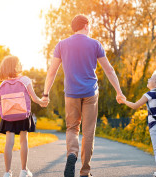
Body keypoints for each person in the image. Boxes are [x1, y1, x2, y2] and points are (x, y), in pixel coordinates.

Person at [41, 14, 125, 177]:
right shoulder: (95, 44)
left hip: (71, 93)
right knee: (88, 132)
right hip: (90, 93)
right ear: (86, 25)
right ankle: (85, 171)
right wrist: (119, 92)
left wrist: (45, 94)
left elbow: (52, 71)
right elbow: (109, 70)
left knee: (72, 128)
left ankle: (72, 154)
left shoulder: (61, 44)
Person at [0, 56, 46, 177]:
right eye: (19, 63)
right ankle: (24, 171)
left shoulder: (2, 84)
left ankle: (7, 172)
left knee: (9, 144)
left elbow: (0, 103)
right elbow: (34, 98)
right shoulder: (25, 80)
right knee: (23, 141)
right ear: (16, 66)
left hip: (8, 116)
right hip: (23, 115)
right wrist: (43, 102)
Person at [119, 70, 156, 177]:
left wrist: (124, 101)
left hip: (155, 125)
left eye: (151, 78)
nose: (148, 79)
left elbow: (135, 106)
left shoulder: (149, 94)